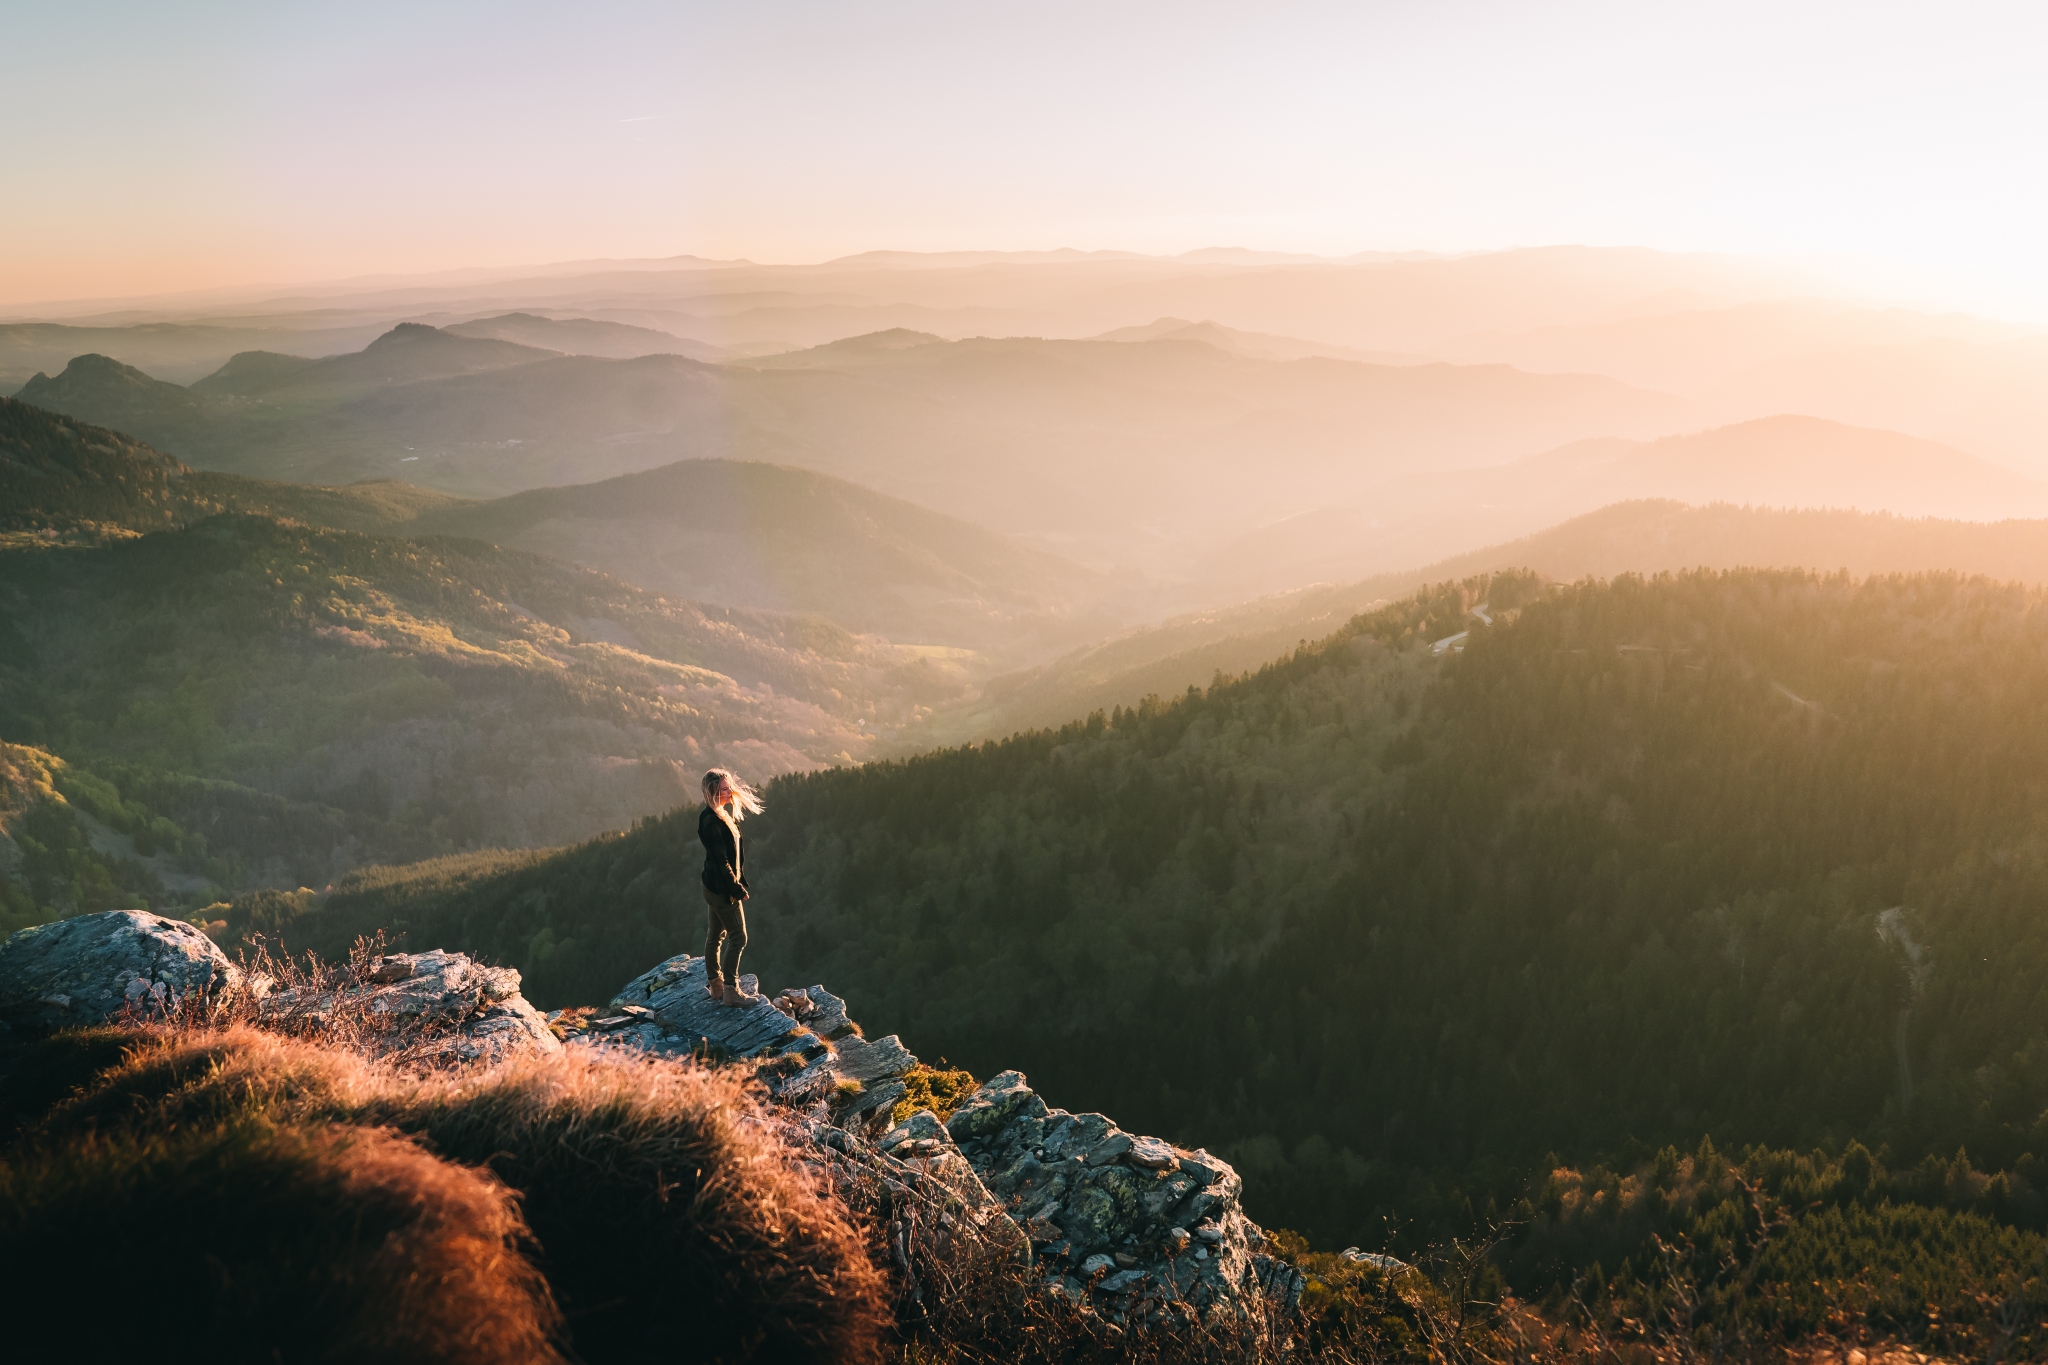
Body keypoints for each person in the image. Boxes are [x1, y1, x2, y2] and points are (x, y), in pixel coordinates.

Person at [698, 767, 763, 1006]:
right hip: (721, 889)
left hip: (713, 886)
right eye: (724, 789)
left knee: (715, 936)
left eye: (729, 787)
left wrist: (738, 881)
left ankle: (716, 987)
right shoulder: (711, 820)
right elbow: (721, 860)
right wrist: (736, 888)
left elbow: (729, 858)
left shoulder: (718, 814)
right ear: (713, 792)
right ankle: (731, 991)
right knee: (738, 937)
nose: (730, 791)